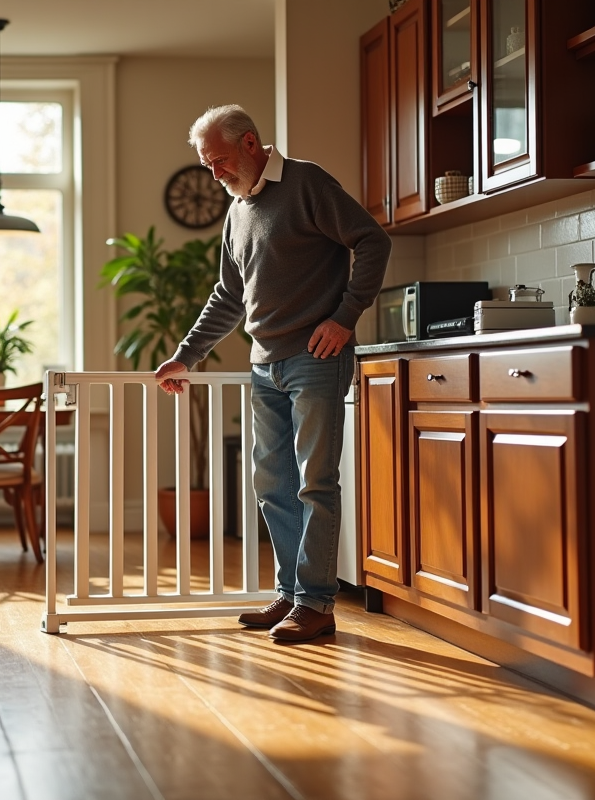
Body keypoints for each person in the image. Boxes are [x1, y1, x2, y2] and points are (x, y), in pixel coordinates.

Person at [155, 104, 391, 642]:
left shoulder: (306, 183)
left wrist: (344, 317)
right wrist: (186, 356)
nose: (213, 174)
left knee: (315, 482)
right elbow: (228, 296)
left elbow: (372, 240)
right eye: (206, 164)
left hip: (316, 359)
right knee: (273, 486)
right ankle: (291, 594)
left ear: (250, 143)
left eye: (218, 161)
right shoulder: (237, 211)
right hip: (264, 363)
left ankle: (316, 603)